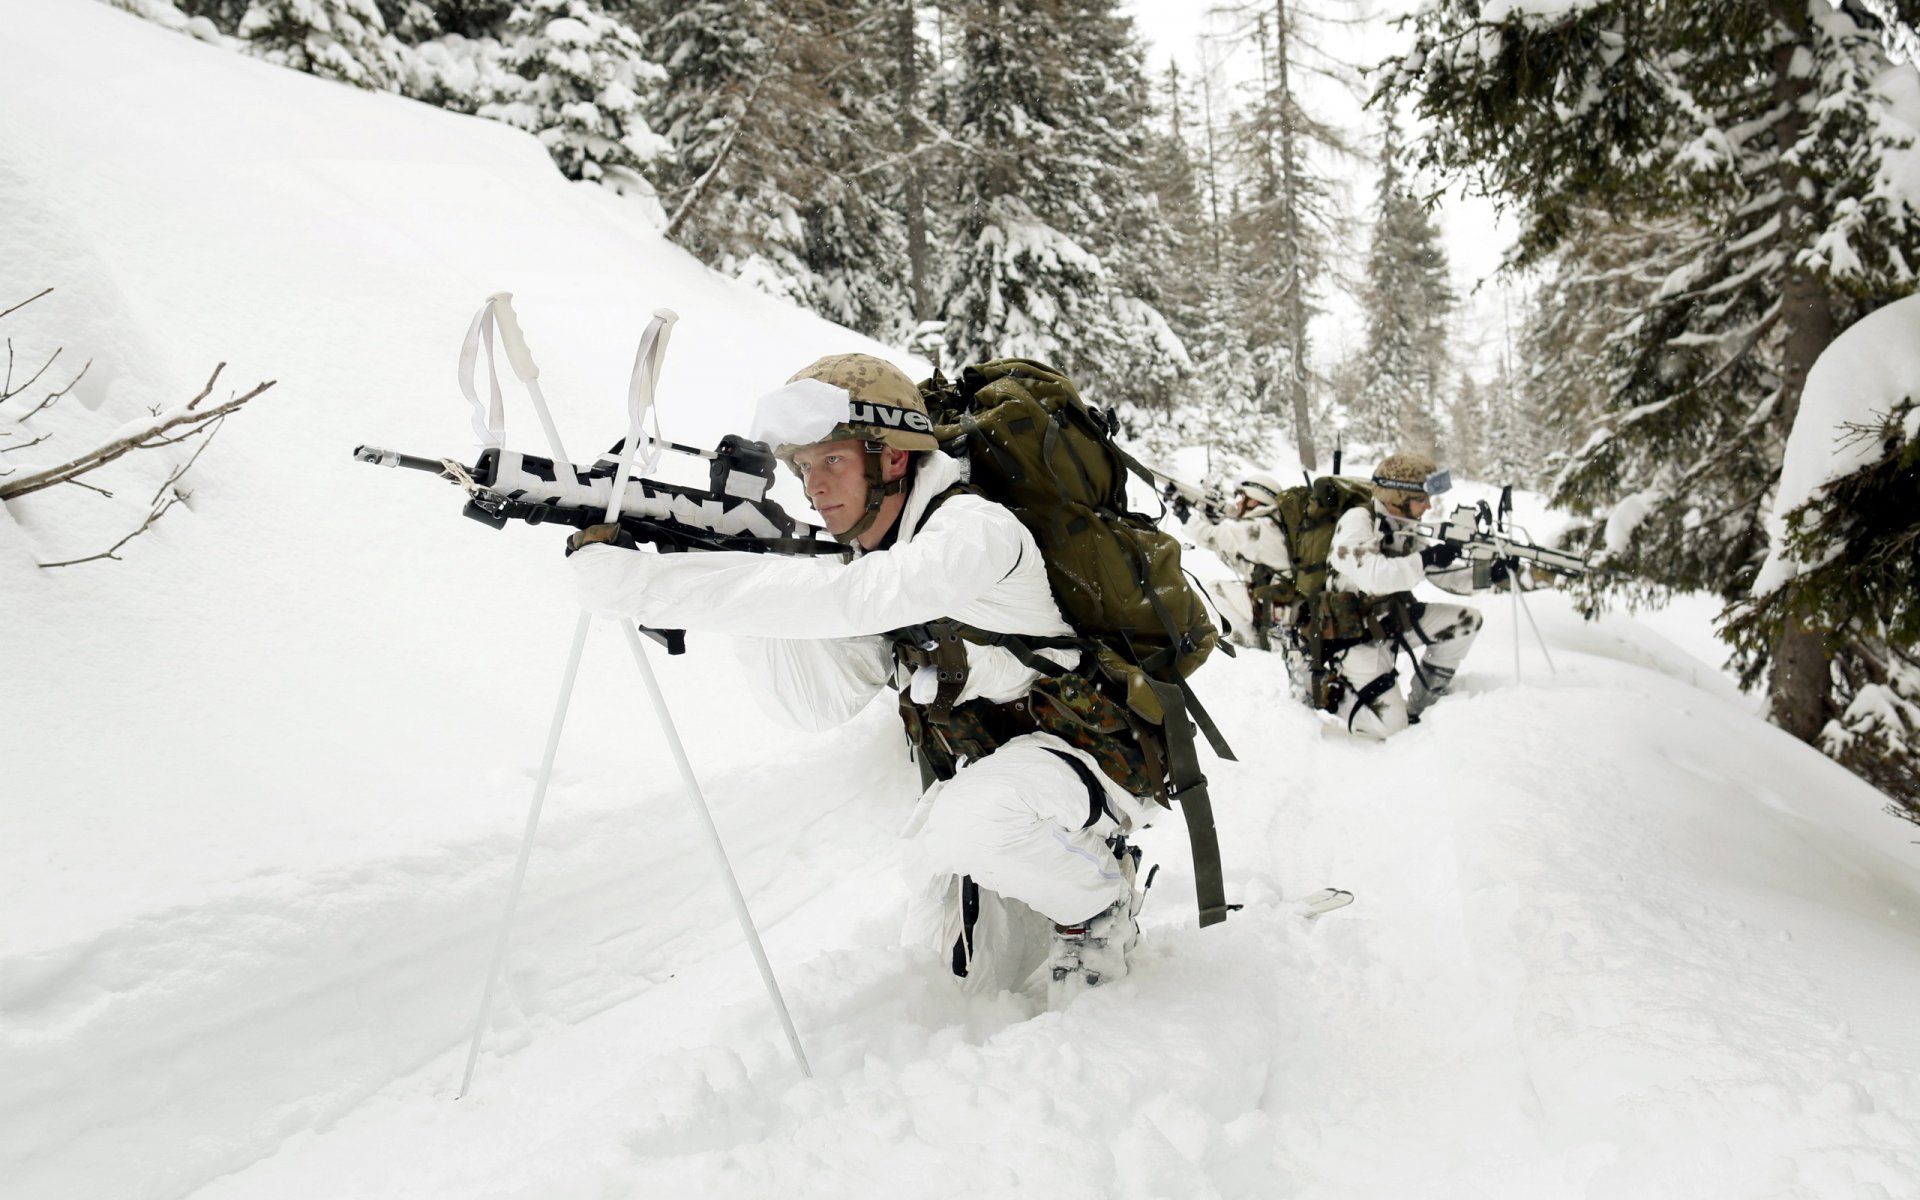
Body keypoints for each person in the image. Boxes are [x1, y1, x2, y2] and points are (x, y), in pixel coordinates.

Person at [568, 353, 1151, 1001]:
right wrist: (739, 576)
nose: (814, 486)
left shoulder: (974, 530)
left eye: (832, 460)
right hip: (992, 770)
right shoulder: (873, 556)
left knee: (970, 827)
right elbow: (814, 705)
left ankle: (1100, 908)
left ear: (893, 458)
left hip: (1090, 752)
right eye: (802, 467)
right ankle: (1051, 874)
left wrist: (653, 587)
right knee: (955, 965)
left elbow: (858, 599)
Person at [1321, 451, 1487, 738]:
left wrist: (1490, 574)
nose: (1428, 505)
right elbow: (1375, 577)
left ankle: (1424, 708)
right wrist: (1426, 559)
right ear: (1397, 496)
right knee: (1391, 728)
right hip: (1355, 638)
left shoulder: (1403, 525)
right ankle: (1320, 689)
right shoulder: (1357, 521)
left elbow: (1443, 576)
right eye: (1421, 498)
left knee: (1466, 621)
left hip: (1390, 623)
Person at [1179, 473, 1293, 653]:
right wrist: (1209, 520)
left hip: (1282, 608)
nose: (1238, 503)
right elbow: (1237, 560)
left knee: (1214, 590)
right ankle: (1262, 640)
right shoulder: (1272, 524)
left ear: (1254, 499)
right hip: (1285, 601)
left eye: (1242, 497)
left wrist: (1184, 515)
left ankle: (1253, 645)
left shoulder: (1258, 527)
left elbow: (1212, 537)